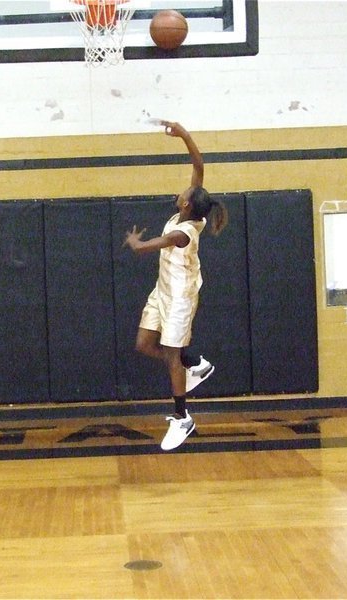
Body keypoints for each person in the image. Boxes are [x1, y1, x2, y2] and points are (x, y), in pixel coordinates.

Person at [123, 121, 228, 451]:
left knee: (170, 354)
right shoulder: (192, 210)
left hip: (181, 298)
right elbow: (198, 166)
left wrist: (134, 241)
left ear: (186, 204)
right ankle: (195, 364)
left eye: (184, 193)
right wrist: (183, 133)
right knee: (143, 344)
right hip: (162, 290)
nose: (182, 191)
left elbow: (146, 248)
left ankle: (182, 417)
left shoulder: (184, 231)